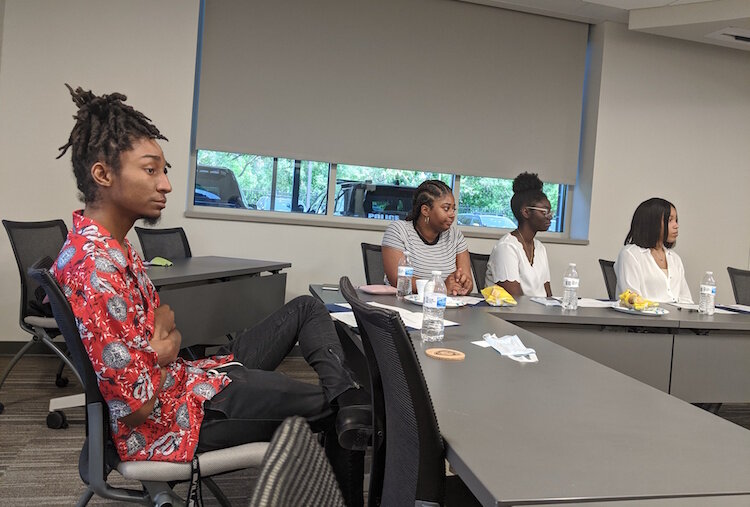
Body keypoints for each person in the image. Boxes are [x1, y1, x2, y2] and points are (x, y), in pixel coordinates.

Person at [52, 86, 369, 502]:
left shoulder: (115, 247)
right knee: (339, 409)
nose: (165, 184)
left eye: (164, 170)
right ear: (103, 175)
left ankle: (347, 398)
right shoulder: (96, 267)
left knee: (307, 308)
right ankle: (348, 415)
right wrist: (161, 349)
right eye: (151, 170)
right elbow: (137, 408)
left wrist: (162, 344)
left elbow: (165, 324)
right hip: (177, 419)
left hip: (193, 379)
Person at [381, 180, 473, 296]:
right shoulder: (399, 231)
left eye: (453, 209)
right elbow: (398, 280)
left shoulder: (456, 236)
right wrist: (441, 287)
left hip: (442, 307)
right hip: (403, 306)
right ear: (425, 210)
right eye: (446, 208)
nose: (452, 214)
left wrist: (464, 284)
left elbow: (467, 280)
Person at [485, 172, 552, 297]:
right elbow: (516, 299)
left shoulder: (540, 248)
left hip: (540, 314)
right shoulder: (506, 247)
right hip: (514, 315)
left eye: (550, 211)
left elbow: (548, 296)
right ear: (526, 212)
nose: (550, 216)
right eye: (544, 211)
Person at [614, 197, 692, 303]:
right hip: (645, 318)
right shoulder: (630, 254)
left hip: (675, 318)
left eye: (676, 220)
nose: (676, 226)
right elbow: (632, 300)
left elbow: (686, 300)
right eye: (670, 220)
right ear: (652, 223)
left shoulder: (675, 258)